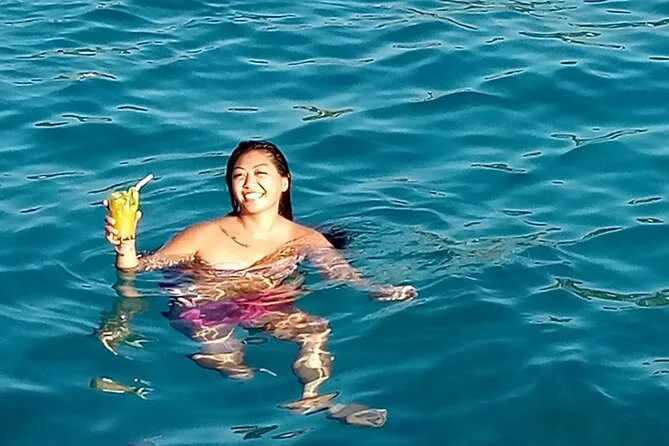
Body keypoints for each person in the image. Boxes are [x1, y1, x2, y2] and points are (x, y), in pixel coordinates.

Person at [102, 140, 417, 426]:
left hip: (262, 304)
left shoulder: (304, 239)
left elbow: (341, 273)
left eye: (260, 173)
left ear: (284, 182)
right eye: (239, 176)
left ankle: (315, 397)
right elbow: (139, 268)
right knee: (233, 365)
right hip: (203, 303)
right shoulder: (203, 234)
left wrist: (376, 289)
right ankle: (249, 397)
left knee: (315, 329)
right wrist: (125, 246)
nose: (249, 183)